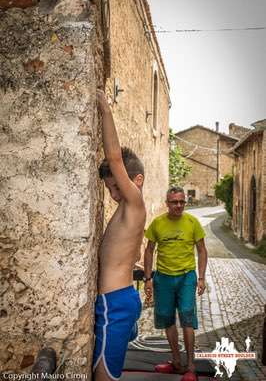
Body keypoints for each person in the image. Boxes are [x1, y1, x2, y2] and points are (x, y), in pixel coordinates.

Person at [93, 90, 146, 381]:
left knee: (104, 377)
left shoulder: (134, 201)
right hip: (118, 299)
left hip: (114, 304)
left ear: (135, 181)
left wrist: (105, 109)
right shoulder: (128, 212)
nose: (115, 195)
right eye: (110, 189)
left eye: (118, 186)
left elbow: (114, 158)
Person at [144, 186, 207, 375]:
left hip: (187, 276)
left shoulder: (192, 222)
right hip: (163, 278)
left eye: (181, 202)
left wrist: (201, 278)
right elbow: (149, 251)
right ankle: (176, 361)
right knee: (167, 319)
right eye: (174, 202)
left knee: (187, 318)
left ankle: (191, 366)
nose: (178, 205)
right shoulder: (158, 223)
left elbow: (202, 251)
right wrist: (148, 279)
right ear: (167, 204)